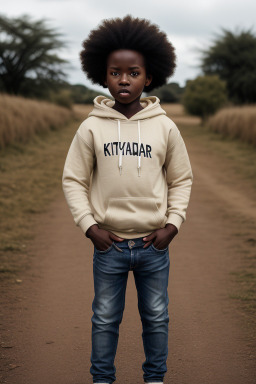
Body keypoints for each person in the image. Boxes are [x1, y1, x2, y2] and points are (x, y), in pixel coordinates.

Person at [62, 14, 193, 384]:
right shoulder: (91, 126)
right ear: (103, 76)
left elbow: (181, 178)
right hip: (110, 246)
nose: (124, 79)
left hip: (155, 245)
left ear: (148, 77)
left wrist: (173, 224)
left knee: (156, 317)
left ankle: (155, 378)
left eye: (133, 72)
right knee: (104, 318)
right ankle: (101, 379)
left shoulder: (165, 126)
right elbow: (73, 179)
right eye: (116, 73)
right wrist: (90, 227)